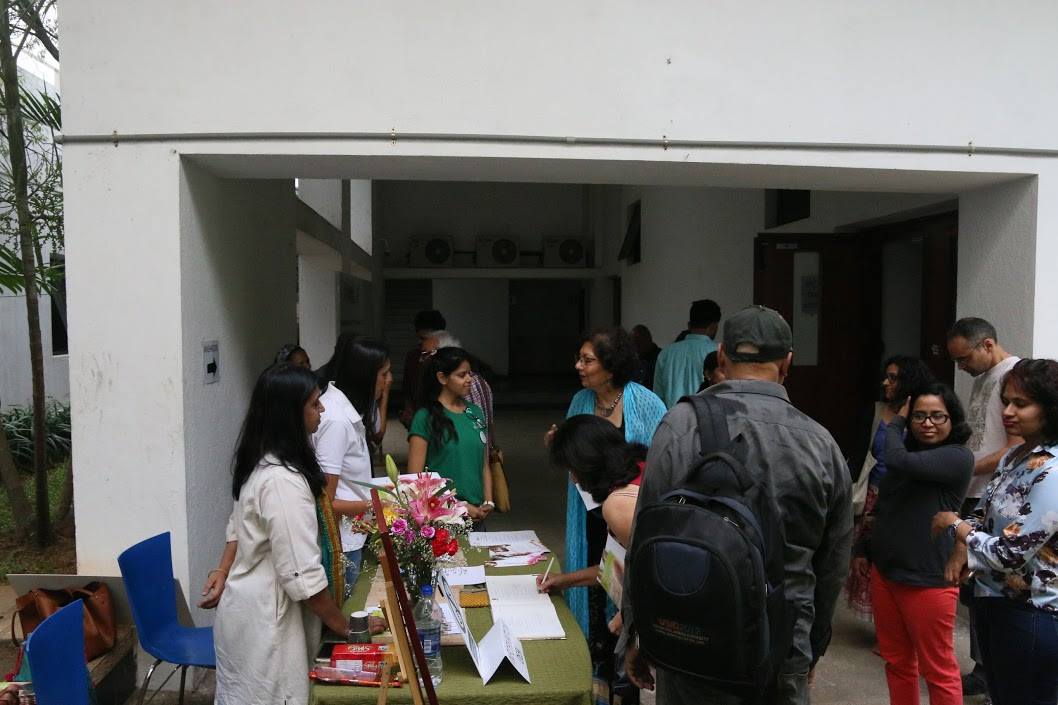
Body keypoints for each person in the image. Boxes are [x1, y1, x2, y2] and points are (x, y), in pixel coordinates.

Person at [623, 305, 852, 705]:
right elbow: (833, 564)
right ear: (788, 362)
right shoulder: (820, 443)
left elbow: (646, 531)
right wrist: (811, 646)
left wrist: (636, 631)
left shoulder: (679, 425)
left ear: (722, 355)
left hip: (690, 634)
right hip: (781, 642)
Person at [213, 363, 348, 705]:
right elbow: (302, 575)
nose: (322, 410)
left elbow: (237, 526)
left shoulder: (266, 462)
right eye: (314, 404)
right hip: (266, 621)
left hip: (252, 611)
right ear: (291, 414)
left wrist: (222, 569)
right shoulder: (281, 481)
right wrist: (346, 627)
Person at [933, 358, 1058, 705]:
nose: (1008, 411)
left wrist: (954, 525)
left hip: (1033, 614)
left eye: (1021, 403)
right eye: (1006, 401)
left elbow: (1010, 553)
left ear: (1050, 408)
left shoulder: (1053, 471)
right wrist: (964, 544)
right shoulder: (1014, 456)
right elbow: (983, 514)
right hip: (994, 602)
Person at [548, 327, 666, 645]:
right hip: (592, 510)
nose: (578, 366)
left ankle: (624, 645)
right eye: (578, 358)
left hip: (628, 509)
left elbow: (646, 568)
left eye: (587, 360)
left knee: (627, 576)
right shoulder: (581, 400)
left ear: (611, 367)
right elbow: (611, 567)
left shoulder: (647, 403)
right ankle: (602, 653)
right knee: (601, 575)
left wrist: (628, 615)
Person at [860, 383, 972, 705]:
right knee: (897, 662)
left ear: (953, 419)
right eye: (919, 416)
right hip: (887, 573)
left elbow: (894, 459)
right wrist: (863, 550)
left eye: (938, 416)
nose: (927, 423)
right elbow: (883, 507)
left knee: (938, 670)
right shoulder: (908, 456)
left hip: (927, 581)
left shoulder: (957, 456)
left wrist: (897, 421)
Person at [946, 316, 1021, 695]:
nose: (961, 367)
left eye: (964, 358)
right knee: (973, 588)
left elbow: (1014, 447)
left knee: (991, 586)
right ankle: (983, 669)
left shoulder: (1015, 377)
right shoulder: (983, 378)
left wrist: (964, 468)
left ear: (987, 345)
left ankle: (993, 675)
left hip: (995, 495)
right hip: (975, 491)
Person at [847, 356, 935, 622]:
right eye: (886, 376)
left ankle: (898, 619)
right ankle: (882, 622)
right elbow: (859, 452)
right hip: (873, 495)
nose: (885, 382)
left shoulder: (923, 416)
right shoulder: (875, 412)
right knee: (867, 558)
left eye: (893, 378)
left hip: (906, 498)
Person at [314, 335, 392, 593]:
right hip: (342, 543)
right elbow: (326, 503)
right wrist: (379, 505)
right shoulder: (336, 420)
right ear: (364, 376)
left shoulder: (347, 410)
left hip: (355, 533)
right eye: (384, 374)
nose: (388, 381)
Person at [407, 346, 494, 522]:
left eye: (469, 373)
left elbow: (483, 463)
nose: (469, 379)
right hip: (442, 518)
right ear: (442, 378)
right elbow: (415, 481)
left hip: (477, 513)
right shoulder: (425, 417)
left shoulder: (475, 412)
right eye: (462, 375)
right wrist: (458, 507)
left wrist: (488, 501)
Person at [653, 299, 721, 408]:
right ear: (714, 326)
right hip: (707, 416)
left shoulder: (665, 354)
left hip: (672, 417)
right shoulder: (719, 353)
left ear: (689, 325)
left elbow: (657, 399)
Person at [400, 310, 446, 428]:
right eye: (420, 339)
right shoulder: (413, 356)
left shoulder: (447, 358)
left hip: (442, 416)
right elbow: (407, 388)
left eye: (426, 339)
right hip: (418, 415)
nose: (422, 344)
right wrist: (408, 409)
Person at [630, 324, 662, 389]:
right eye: (633, 344)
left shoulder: (662, 357)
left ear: (648, 339)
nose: (635, 347)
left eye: (638, 343)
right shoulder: (632, 360)